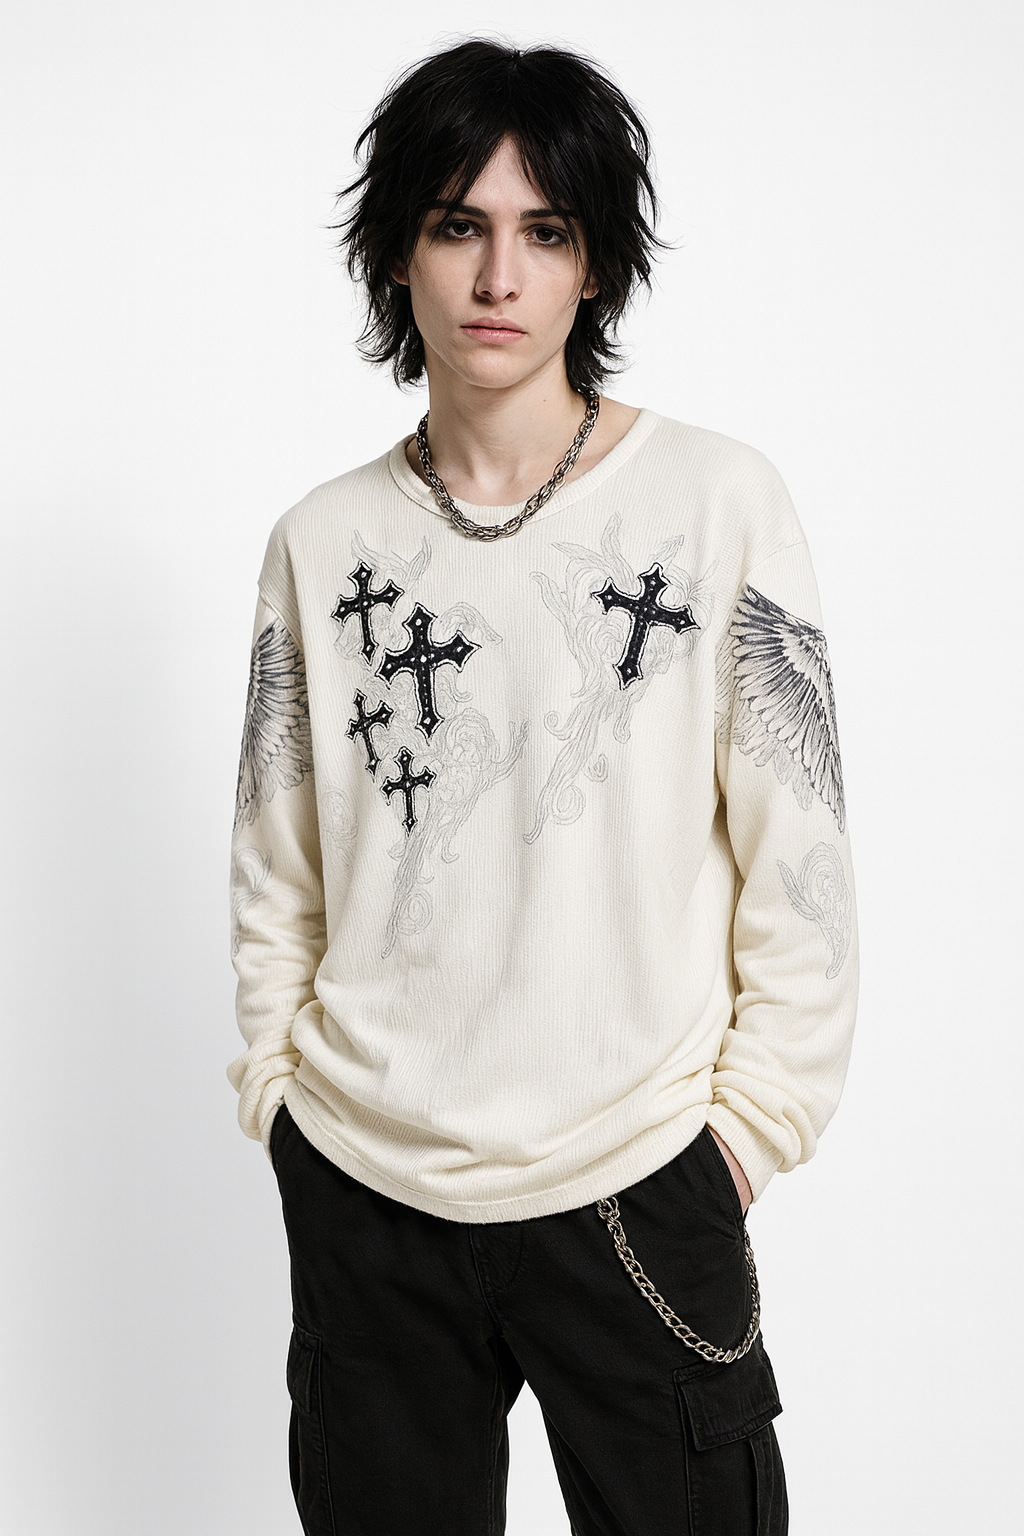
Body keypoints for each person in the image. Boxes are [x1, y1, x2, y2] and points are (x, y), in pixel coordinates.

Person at [228, 37, 858, 1536]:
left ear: (595, 265)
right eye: (459, 225)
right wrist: (283, 1102)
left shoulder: (719, 503)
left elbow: (804, 858)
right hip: (370, 1186)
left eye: (547, 230)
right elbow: (276, 868)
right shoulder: (321, 543)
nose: (498, 277)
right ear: (400, 253)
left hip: (639, 1179)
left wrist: (742, 1140)